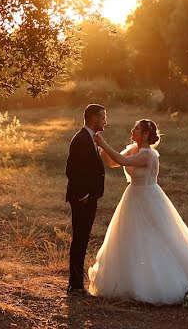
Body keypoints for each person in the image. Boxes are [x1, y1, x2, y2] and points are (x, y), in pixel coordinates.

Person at [89, 119, 188, 304]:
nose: (133, 130)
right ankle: (130, 281)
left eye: (137, 129)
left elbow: (122, 160)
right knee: (130, 238)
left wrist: (104, 143)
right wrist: (99, 147)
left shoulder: (148, 155)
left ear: (146, 134)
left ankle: (157, 282)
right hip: (132, 197)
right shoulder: (134, 148)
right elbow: (113, 163)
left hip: (149, 198)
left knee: (153, 237)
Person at [64, 103, 107, 294]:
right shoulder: (81, 139)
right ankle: (75, 284)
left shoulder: (90, 138)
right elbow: (72, 170)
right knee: (80, 240)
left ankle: (77, 283)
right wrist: (83, 195)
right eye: (103, 117)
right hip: (83, 199)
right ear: (93, 118)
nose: (106, 121)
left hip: (89, 197)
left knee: (83, 239)